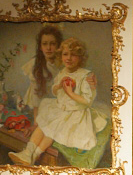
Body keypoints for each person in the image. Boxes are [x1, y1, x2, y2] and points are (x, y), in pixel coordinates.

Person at [11, 37, 108, 165]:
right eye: (65, 54)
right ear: (61, 56)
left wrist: (70, 93)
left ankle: (35, 155)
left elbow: (86, 101)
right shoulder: (63, 72)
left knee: (53, 129)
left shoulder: (85, 75)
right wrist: (59, 86)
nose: (69, 58)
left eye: (73, 55)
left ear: (80, 58)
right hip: (60, 107)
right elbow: (54, 91)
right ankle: (28, 152)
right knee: (43, 125)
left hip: (74, 113)